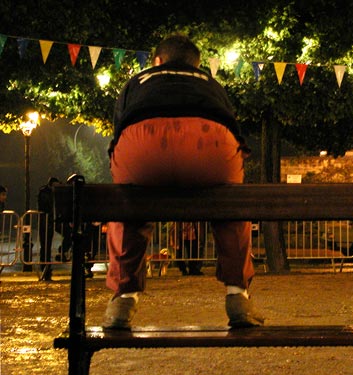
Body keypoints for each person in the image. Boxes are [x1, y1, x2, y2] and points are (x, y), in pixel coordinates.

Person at [103, 34, 264, 330]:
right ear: (198, 65)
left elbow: (118, 134)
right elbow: (232, 127)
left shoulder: (138, 81)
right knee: (231, 202)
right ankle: (237, 294)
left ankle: (124, 297)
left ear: (157, 61)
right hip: (209, 144)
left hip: (144, 145)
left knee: (127, 201)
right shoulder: (210, 84)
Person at [37, 177, 60, 281]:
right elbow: (45, 206)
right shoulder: (45, 193)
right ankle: (45, 268)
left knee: (47, 246)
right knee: (45, 246)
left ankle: (47, 267)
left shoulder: (49, 192)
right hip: (46, 222)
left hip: (50, 221)